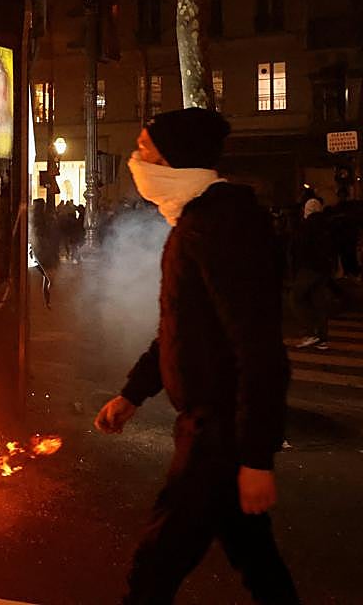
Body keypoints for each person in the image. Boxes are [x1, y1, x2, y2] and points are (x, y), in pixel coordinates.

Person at [94, 107, 297, 604]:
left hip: (217, 432)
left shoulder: (216, 227)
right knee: (255, 557)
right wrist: (133, 394)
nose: (134, 159)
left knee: (155, 565)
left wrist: (254, 457)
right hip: (212, 426)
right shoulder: (197, 220)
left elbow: (257, 346)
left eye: (144, 150)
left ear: (171, 162)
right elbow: (181, 329)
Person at [291, 197, 337, 351]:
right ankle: (322, 338)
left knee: (296, 299)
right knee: (318, 301)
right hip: (323, 268)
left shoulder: (306, 226)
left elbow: (300, 248)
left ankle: (310, 333)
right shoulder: (326, 225)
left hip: (308, 267)